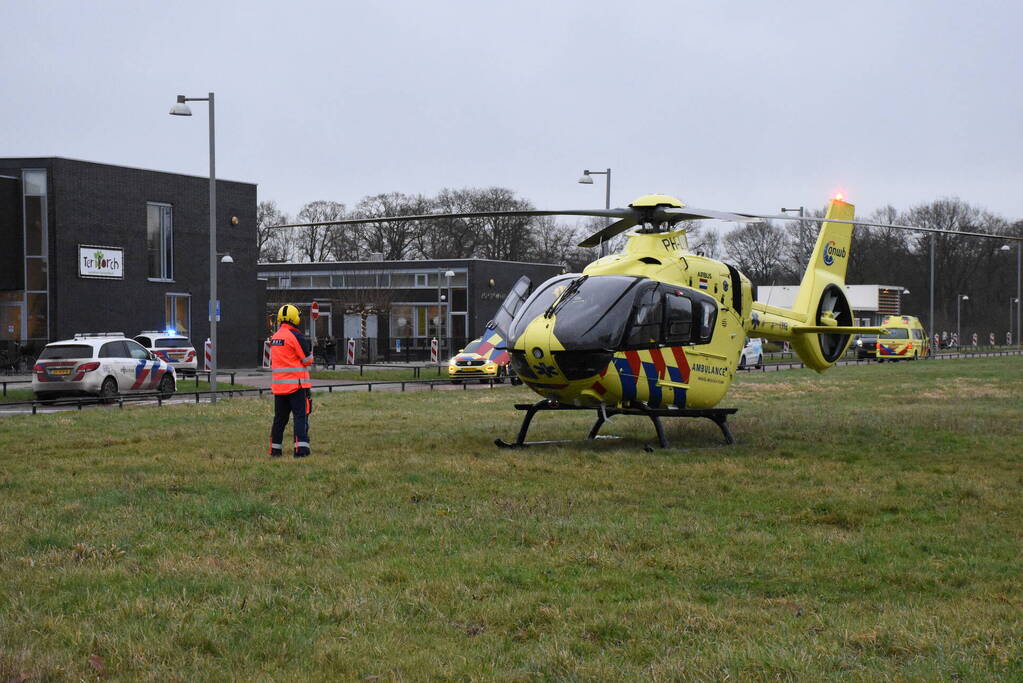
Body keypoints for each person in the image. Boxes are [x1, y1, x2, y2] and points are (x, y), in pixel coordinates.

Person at [269, 304, 314, 458]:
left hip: (279, 388)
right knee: (300, 417)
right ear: (295, 318)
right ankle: (301, 451)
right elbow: (307, 360)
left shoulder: (275, 337)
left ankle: (275, 450)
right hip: (296, 386)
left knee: (279, 420)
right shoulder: (296, 335)